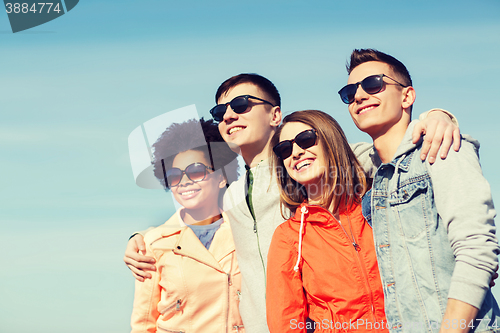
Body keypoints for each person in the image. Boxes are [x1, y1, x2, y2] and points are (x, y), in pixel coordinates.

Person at [125, 73, 461, 332]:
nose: (228, 115)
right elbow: (188, 219)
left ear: (275, 115)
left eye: (241, 105)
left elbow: (395, 151)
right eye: (220, 111)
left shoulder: (310, 164)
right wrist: (138, 241)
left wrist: (437, 116)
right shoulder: (231, 195)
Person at [338, 48, 499, 332]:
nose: (359, 96)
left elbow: (477, 250)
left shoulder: (443, 147)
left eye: (373, 84)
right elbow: (316, 152)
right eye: (350, 92)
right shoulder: (372, 173)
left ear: (407, 96)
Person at [266, 110, 388, 332]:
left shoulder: (378, 203)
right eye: (284, 149)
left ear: (330, 139)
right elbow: (285, 324)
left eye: (306, 139)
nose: (295, 152)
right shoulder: (289, 236)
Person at [130, 119, 244, 333]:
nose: (184, 181)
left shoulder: (245, 231)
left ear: (221, 177)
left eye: (196, 171)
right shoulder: (153, 245)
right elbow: (144, 324)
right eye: (174, 176)